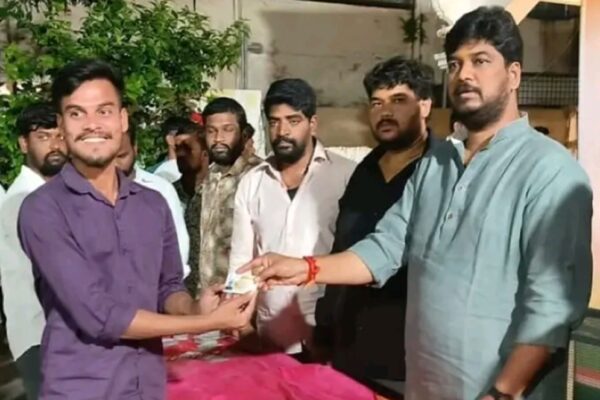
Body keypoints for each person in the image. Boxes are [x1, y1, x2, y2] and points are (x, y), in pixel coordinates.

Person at [244, 7, 592, 400]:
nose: (464, 75)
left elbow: (550, 305)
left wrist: (503, 392)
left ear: (513, 75)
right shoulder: (436, 164)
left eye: (480, 61)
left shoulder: (551, 171)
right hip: (425, 385)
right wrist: (304, 268)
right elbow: (385, 247)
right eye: (456, 64)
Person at [17, 59, 256, 400]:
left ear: (123, 119)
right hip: (80, 388)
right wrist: (209, 323)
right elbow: (99, 316)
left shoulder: (152, 203)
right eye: (76, 113)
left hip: (147, 385)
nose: (92, 125)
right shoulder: (43, 209)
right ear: (61, 125)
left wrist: (196, 308)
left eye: (103, 111)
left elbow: (168, 288)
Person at [314, 57, 432, 384]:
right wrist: (325, 324)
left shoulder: (445, 171)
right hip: (350, 347)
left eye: (398, 100)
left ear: (425, 105)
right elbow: (343, 244)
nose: (385, 112)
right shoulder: (364, 171)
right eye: (377, 103)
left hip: (411, 358)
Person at [229, 78, 356, 357]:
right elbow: (241, 262)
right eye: (274, 122)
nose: (282, 131)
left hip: (330, 335)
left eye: (293, 121)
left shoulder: (346, 176)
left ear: (313, 124)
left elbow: (357, 257)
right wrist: (243, 325)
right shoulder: (252, 183)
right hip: (270, 336)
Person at [0, 103, 68, 399]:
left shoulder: (55, 195)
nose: (54, 145)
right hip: (40, 337)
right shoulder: (23, 200)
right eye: (43, 137)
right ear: (24, 144)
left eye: (60, 136)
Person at [189, 97, 262, 297]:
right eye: (211, 131)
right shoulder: (211, 175)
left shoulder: (259, 177)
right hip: (208, 298)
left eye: (227, 130)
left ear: (244, 134)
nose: (218, 139)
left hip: (242, 298)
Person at [115, 123, 191, 277]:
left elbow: (178, 248)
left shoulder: (161, 189)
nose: (115, 165)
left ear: (135, 148)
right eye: (108, 158)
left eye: (121, 156)